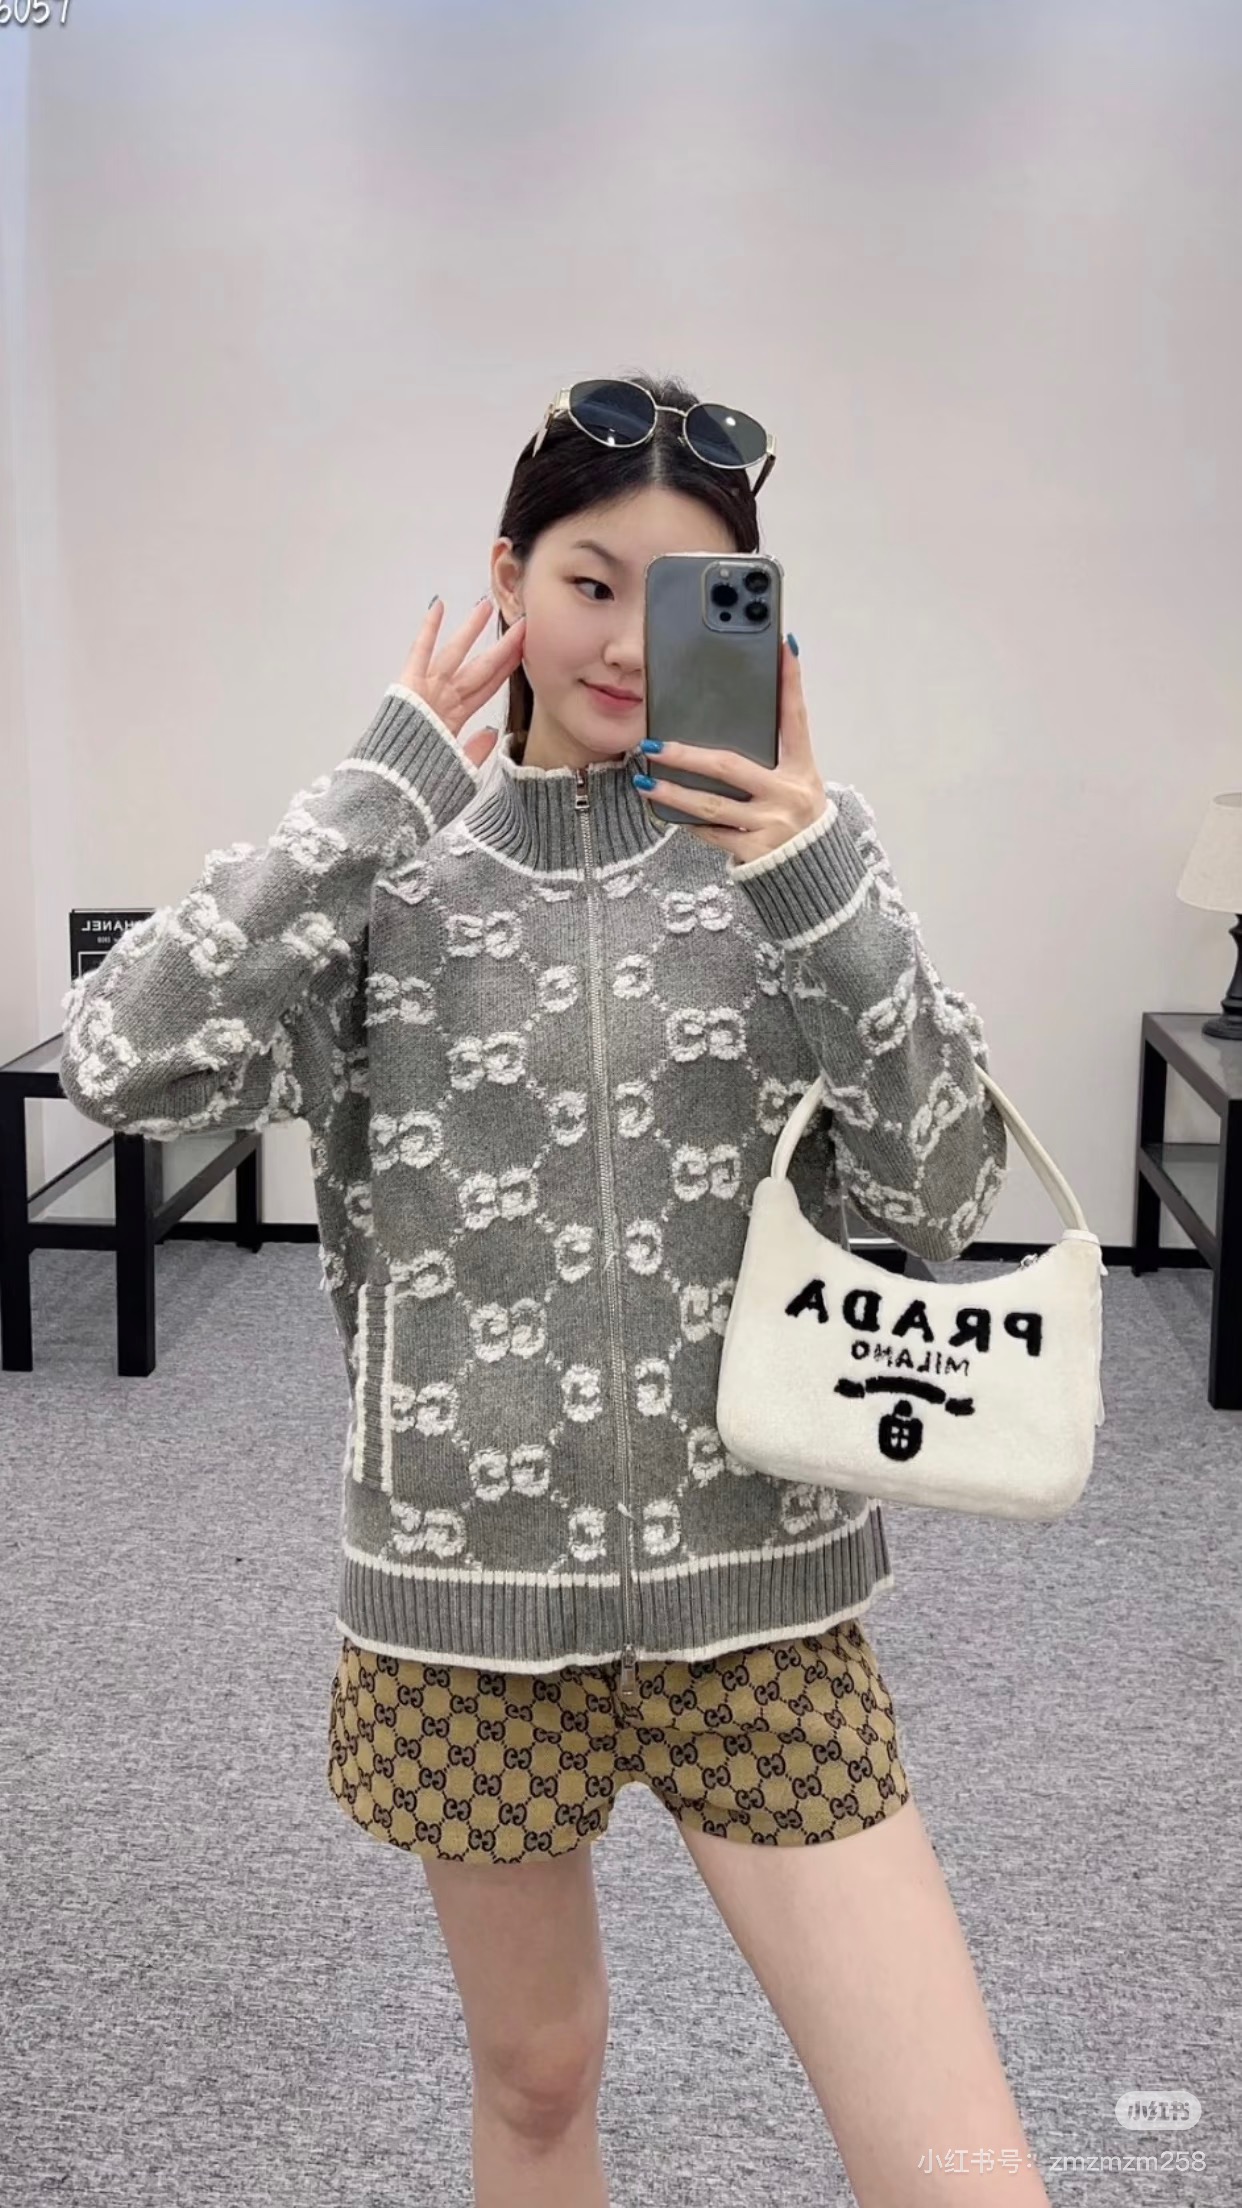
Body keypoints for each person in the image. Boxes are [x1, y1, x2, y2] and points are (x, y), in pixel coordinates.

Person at [59, 370, 1049, 2208]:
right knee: (534, 2086)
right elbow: (117, 1060)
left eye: (686, 600)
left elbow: (934, 1195)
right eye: (590, 583)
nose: (625, 645)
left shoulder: (791, 864)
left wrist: (816, 882)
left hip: (763, 1611)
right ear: (506, 576)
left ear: (749, 618)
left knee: (956, 2159)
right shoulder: (392, 874)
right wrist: (375, 790)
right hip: (462, 1616)